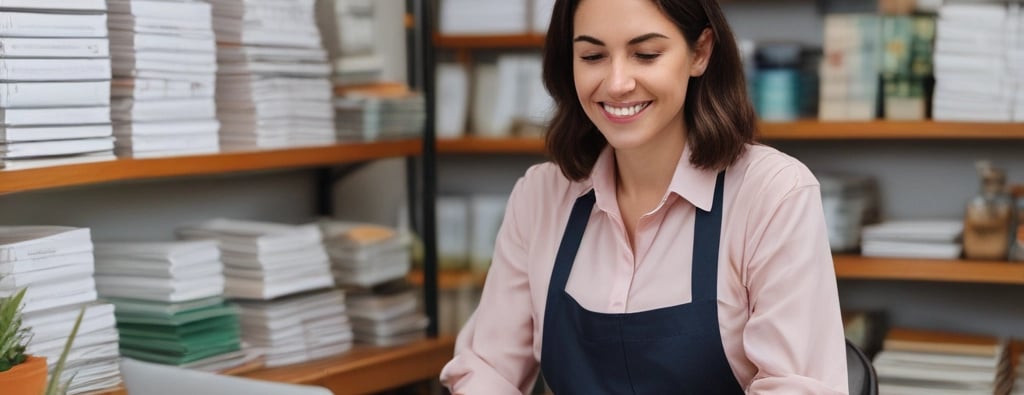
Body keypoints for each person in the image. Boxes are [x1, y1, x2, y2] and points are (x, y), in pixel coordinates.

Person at [439, 0, 849, 393]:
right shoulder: (541, 196)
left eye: (646, 54)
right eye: (592, 57)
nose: (617, 84)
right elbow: (488, 369)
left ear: (700, 53)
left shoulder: (772, 194)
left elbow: (799, 388)